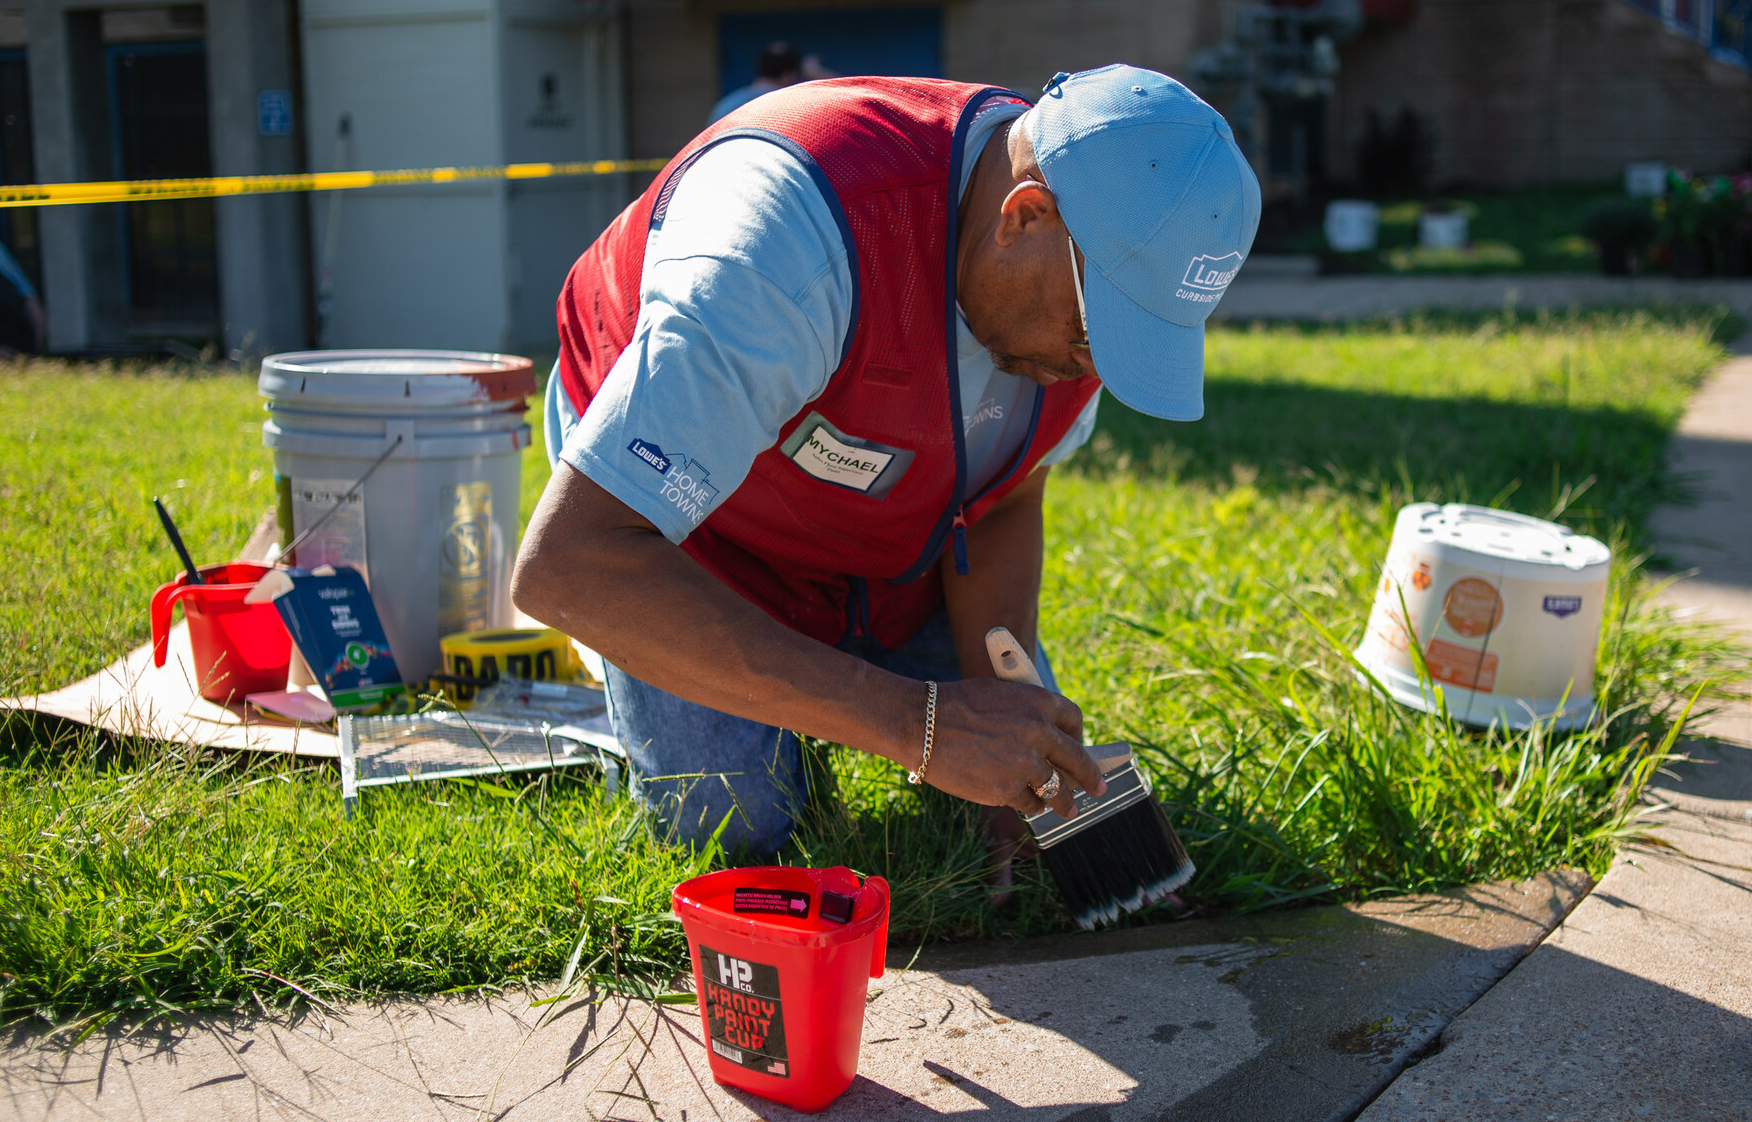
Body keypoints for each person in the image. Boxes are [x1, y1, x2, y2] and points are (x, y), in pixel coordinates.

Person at [512, 66, 1261, 890]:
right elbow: (570, 563)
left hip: (880, 531)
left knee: (1021, 767)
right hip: (682, 533)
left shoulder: (1065, 289)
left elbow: (1005, 497)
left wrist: (989, 691)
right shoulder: (779, 244)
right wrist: (919, 725)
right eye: (1096, 332)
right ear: (1026, 215)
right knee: (738, 826)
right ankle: (620, 674)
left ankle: (822, 660)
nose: (1094, 368)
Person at [707, 41, 831, 125]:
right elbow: (844, 101)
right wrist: (817, 73)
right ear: (788, 74)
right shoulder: (796, 105)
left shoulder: (727, 105)